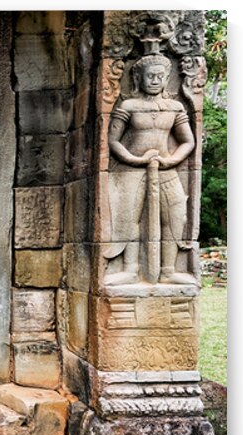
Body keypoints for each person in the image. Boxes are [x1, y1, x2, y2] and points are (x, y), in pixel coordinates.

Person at [104, 53, 196, 286]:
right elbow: (113, 141)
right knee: (129, 219)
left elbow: (188, 141)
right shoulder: (129, 105)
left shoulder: (174, 107)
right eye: (149, 76)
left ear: (166, 78)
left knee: (175, 216)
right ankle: (131, 269)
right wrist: (135, 159)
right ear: (138, 79)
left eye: (159, 76)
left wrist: (172, 160)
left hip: (166, 168)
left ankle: (167, 269)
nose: (154, 81)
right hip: (131, 170)